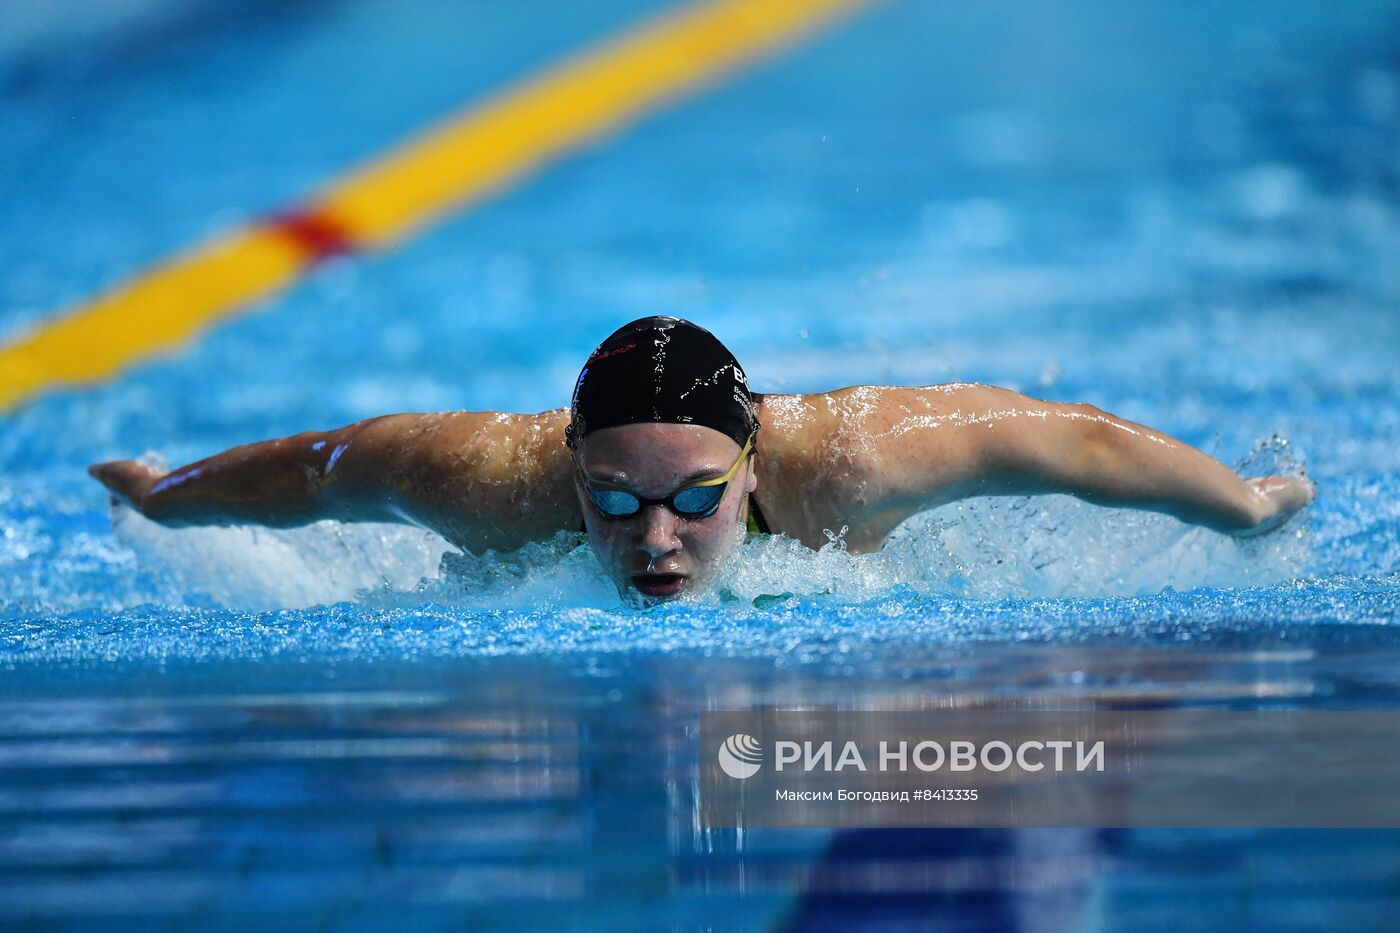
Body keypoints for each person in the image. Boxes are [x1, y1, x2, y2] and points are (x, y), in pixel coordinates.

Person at [89, 316, 1314, 602]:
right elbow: (317, 471)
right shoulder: (483, 482)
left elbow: (1074, 444)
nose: (654, 540)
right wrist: (166, 495)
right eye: (611, 501)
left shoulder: (855, 464)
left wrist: (1244, 507)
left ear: (750, 456)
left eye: (692, 500)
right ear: (567, 469)